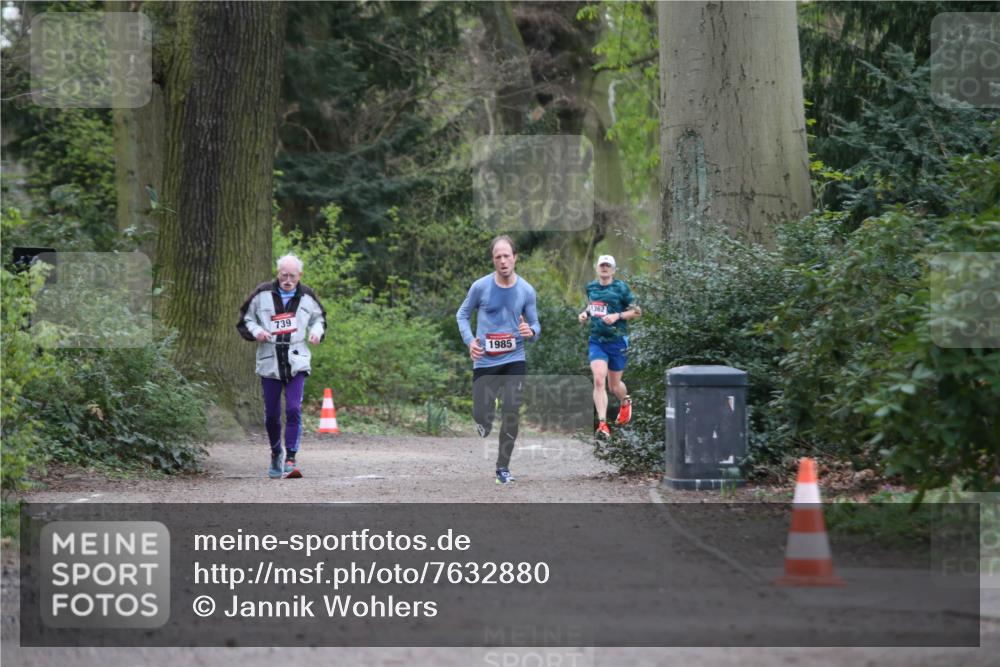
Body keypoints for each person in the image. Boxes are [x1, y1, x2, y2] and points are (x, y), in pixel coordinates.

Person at [456, 235, 540, 485]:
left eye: (507, 256)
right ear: (493, 260)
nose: (503, 261)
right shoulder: (480, 287)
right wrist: (470, 341)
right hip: (485, 361)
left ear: (515, 258)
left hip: (515, 358)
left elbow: (535, 324)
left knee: (511, 411)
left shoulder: (526, 290)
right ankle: (483, 419)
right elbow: (462, 315)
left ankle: (503, 467)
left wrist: (531, 332)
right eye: (498, 257)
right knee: (482, 413)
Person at [237, 254, 326, 479]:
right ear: (278, 273)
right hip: (270, 358)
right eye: (283, 275)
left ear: (299, 276)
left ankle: (291, 458)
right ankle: (276, 452)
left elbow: (320, 318)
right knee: (272, 414)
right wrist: (257, 332)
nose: (287, 280)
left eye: (292, 276)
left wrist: (316, 332)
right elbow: (246, 319)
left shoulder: (307, 295)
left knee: (294, 409)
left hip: (297, 358)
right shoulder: (262, 293)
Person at [577, 254, 641, 439]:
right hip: (597, 341)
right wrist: (585, 314)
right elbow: (593, 306)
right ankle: (603, 425)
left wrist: (617, 316)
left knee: (614, 386)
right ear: (597, 268)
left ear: (613, 270)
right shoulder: (591, 287)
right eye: (602, 265)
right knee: (598, 379)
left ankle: (625, 401)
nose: (604, 268)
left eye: (608, 266)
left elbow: (637, 311)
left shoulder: (621, 288)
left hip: (617, 341)